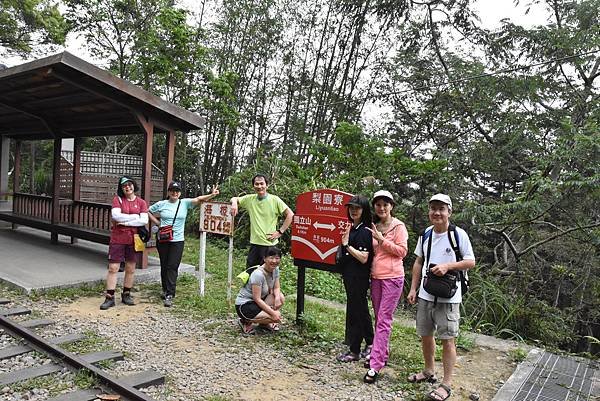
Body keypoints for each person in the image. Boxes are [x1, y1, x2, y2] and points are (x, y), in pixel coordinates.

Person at [407, 194, 475, 401]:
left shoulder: (458, 235)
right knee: (426, 334)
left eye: (441, 209)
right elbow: (419, 262)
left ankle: (446, 383)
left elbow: (470, 261)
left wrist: (448, 266)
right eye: (433, 208)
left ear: (449, 212)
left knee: (448, 339)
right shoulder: (426, 234)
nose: (437, 212)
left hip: (450, 296)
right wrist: (413, 289)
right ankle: (429, 371)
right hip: (426, 293)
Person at [148, 181, 219, 307]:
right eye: (172, 190)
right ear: (169, 192)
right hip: (163, 239)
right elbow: (148, 211)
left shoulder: (184, 203)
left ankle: (170, 293)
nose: (175, 193)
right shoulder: (162, 204)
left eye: (177, 191)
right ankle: (165, 290)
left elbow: (198, 199)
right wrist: (157, 223)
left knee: (172, 266)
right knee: (164, 265)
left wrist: (212, 195)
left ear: (180, 193)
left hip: (178, 240)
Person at [363, 190, 409, 384]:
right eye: (378, 204)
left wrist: (382, 240)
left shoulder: (398, 227)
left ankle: (375, 364)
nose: (382, 208)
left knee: (384, 319)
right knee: (379, 318)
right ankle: (381, 353)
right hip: (376, 277)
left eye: (385, 204)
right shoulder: (374, 225)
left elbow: (402, 252)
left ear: (392, 206)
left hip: (393, 278)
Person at [100, 176, 149, 310]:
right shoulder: (118, 200)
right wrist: (135, 217)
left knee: (130, 268)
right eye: (124, 186)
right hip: (117, 238)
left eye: (129, 184)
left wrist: (126, 221)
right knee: (113, 268)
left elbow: (144, 220)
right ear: (121, 188)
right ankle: (109, 297)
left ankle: (126, 294)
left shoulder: (141, 202)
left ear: (134, 185)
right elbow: (116, 216)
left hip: (134, 238)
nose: (127, 187)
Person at [336, 195, 374, 363]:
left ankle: (355, 350)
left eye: (357, 208)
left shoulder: (365, 231)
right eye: (351, 207)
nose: (353, 210)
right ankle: (371, 343)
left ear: (364, 210)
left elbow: (364, 258)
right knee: (360, 309)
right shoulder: (353, 228)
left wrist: (346, 246)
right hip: (350, 275)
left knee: (355, 312)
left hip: (359, 276)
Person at [230, 174, 294, 267]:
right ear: (253, 186)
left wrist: (280, 231)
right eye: (256, 184)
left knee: (268, 276)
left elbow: (290, 214)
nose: (259, 186)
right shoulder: (249, 199)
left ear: (266, 185)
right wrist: (235, 203)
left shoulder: (275, 200)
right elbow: (234, 198)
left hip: (270, 245)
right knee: (250, 274)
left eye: (262, 184)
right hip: (255, 245)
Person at [234, 246, 285, 334]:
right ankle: (245, 321)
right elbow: (256, 298)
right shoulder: (258, 274)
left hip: (258, 301)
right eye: (271, 258)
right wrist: (273, 313)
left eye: (277, 258)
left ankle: (264, 324)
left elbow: (276, 287)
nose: (274, 261)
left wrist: (276, 298)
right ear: (264, 258)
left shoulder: (275, 269)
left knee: (280, 297)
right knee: (275, 316)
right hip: (245, 305)